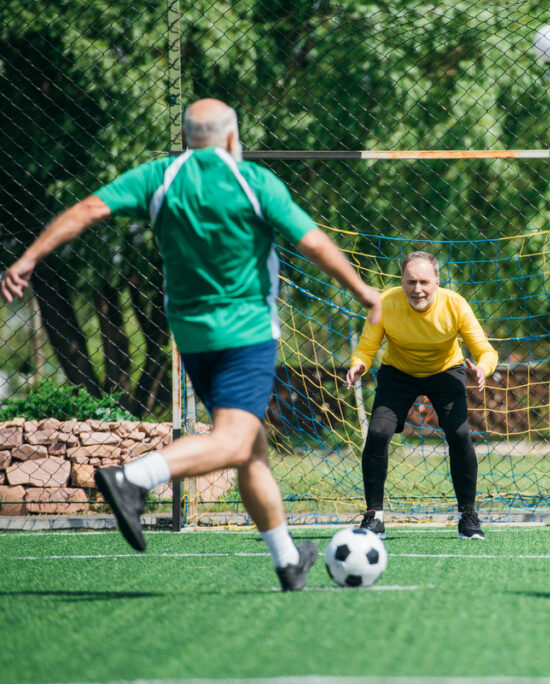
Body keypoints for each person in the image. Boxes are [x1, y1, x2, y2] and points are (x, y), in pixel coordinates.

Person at [1, 98, 381, 591]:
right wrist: (365, 291)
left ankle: (289, 562)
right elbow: (311, 242)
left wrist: (29, 257)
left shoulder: (159, 176)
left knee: (253, 449)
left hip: (191, 336)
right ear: (229, 138)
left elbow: (88, 209)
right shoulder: (254, 180)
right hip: (246, 333)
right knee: (235, 440)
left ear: (186, 138)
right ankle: (133, 478)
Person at [346, 251, 498, 540]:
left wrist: (483, 368)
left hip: (445, 371)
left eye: (424, 282)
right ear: (401, 281)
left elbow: (486, 351)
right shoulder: (385, 303)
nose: (418, 289)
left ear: (437, 282)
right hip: (398, 372)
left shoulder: (456, 305)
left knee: (460, 434)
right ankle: (374, 516)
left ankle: (468, 516)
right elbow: (366, 346)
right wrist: (359, 363)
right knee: (377, 432)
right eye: (411, 281)